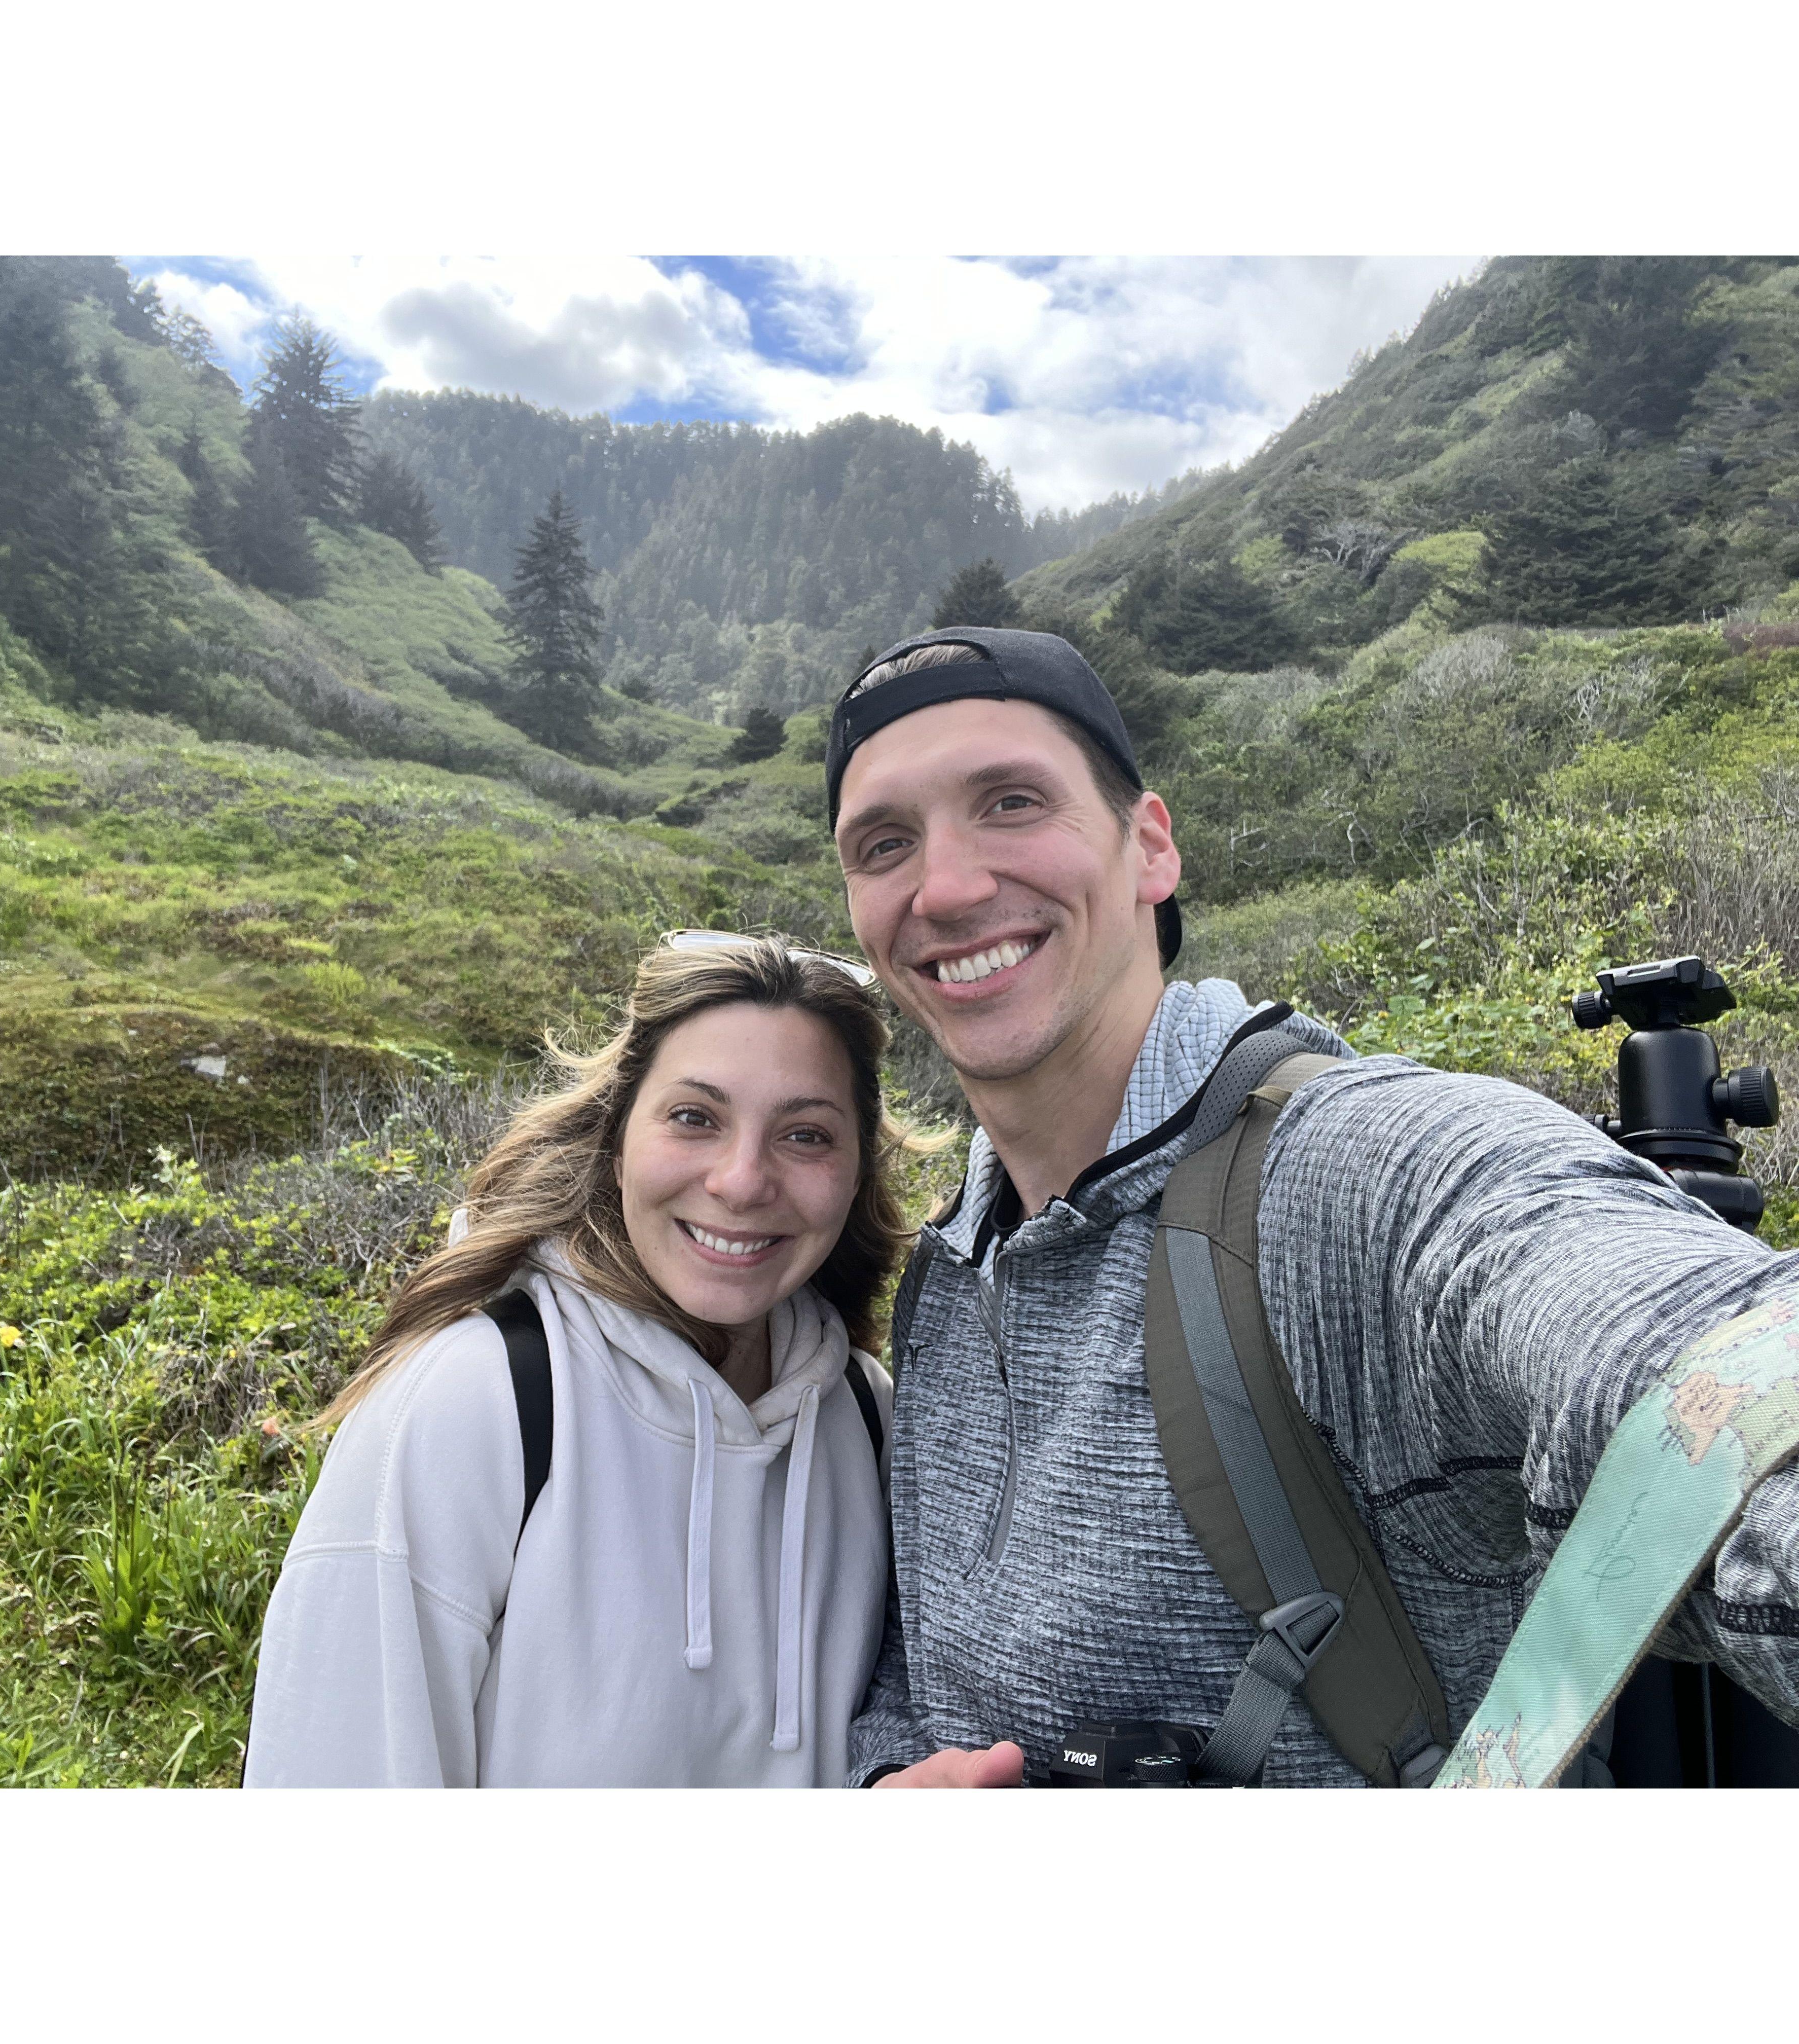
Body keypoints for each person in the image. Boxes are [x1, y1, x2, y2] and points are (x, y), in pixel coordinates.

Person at [823, 626, 1799, 1787]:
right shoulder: (949, 1270)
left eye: (1012, 803)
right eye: (885, 844)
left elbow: (1704, 1355)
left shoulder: (1356, 1174)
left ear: (1150, 848)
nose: (946, 886)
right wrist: (887, 1781)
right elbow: (919, 1650)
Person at [244, 935, 904, 1786]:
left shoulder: (866, 1416)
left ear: (856, 1171)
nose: (743, 1181)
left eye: (806, 1135)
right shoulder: (476, 1400)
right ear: (619, 1136)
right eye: (695, 1118)